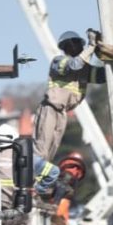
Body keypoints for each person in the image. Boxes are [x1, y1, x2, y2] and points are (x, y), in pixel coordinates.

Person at [33, 29, 100, 162]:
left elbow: (102, 76)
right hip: (50, 109)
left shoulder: (84, 69)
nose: (80, 47)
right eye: (76, 43)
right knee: (42, 147)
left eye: (80, 44)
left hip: (62, 112)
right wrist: (91, 46)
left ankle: (40, 177)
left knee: (51, 150)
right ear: (67, 46)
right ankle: (32, 178)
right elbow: (74, 65)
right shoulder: (59, 61)